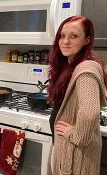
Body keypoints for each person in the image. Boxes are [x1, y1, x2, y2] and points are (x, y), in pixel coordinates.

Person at [47, 16, 107, 175]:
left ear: (87, 40)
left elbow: (90, 112)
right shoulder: (68, 65)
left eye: (74, 36)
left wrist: (76, 135)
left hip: (75, 154)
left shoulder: (86, 68)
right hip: (66, 148)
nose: (65, 41)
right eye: (62, 35)